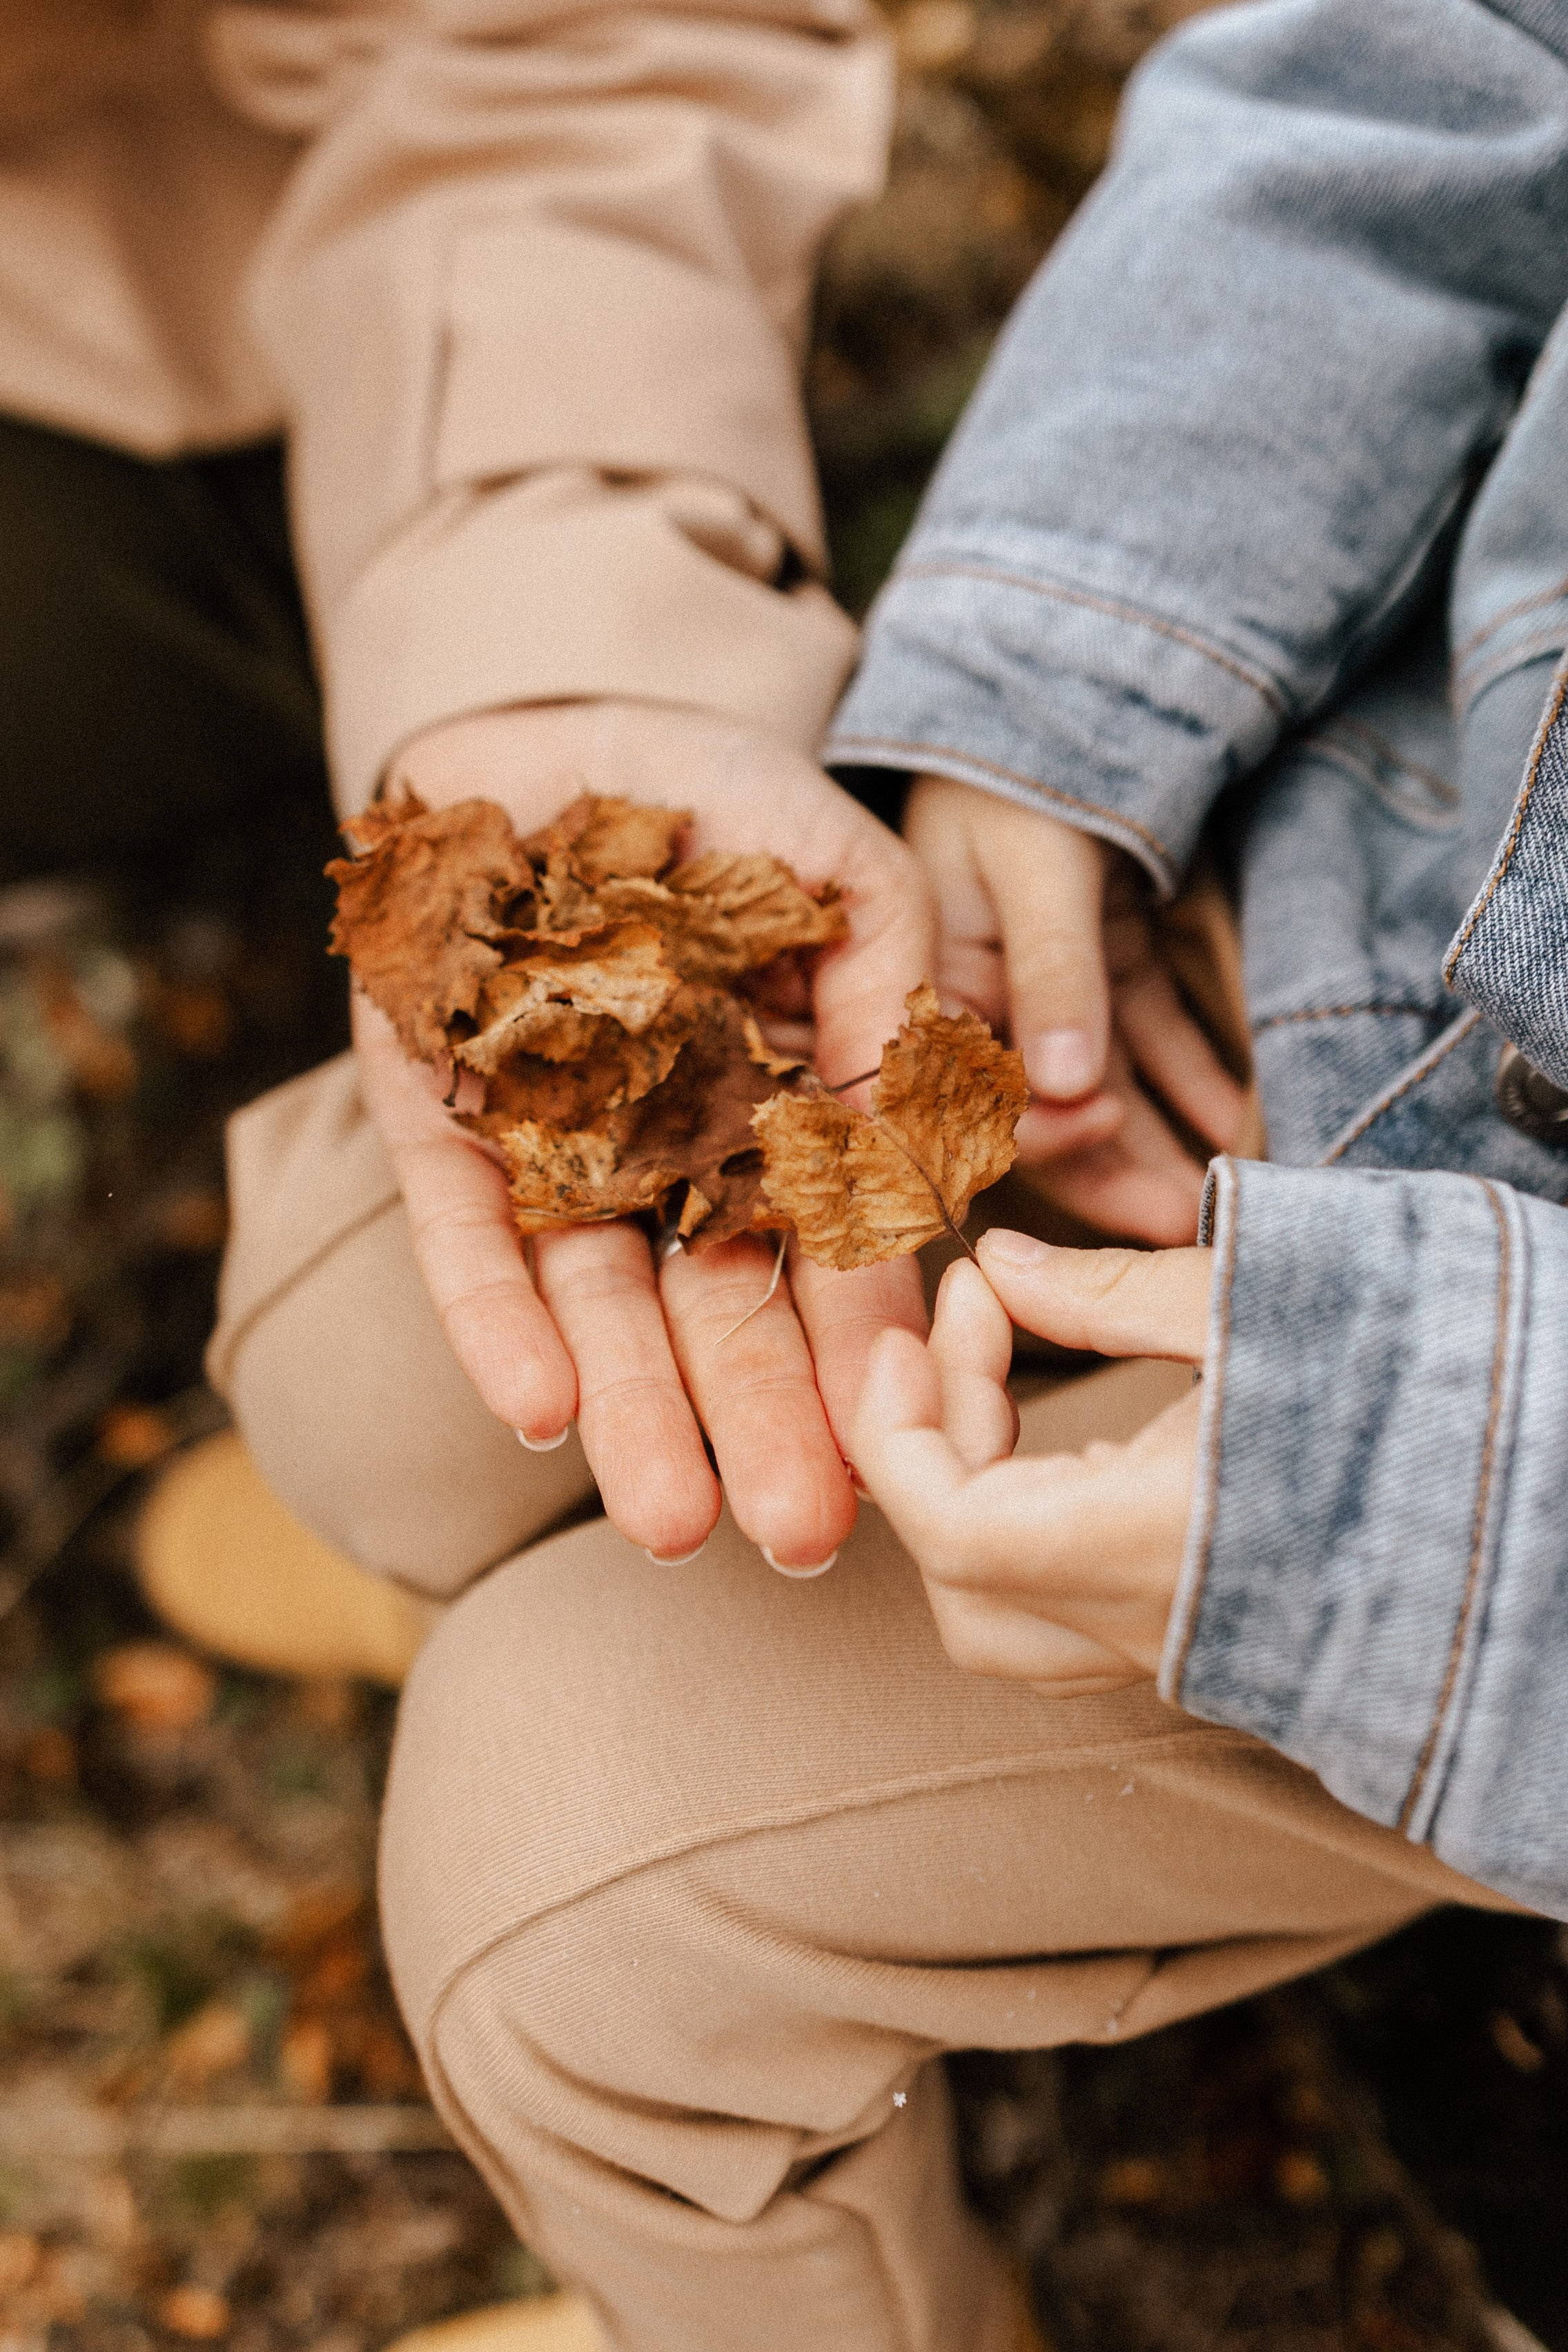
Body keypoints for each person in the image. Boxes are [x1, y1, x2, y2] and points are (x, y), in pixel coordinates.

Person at [207, 0, 1568, 2347]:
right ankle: (542, 1544)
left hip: (1488, 1438)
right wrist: (1066, 682)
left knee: (557, 1872)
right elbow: (1422, 73)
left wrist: (1406, 1495)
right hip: (1329, 866)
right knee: (352, 1330)